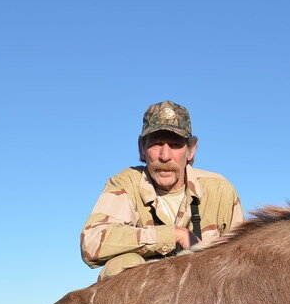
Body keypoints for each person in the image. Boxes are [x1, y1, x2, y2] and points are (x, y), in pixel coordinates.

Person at [81, 101, 243, 280]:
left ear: (191, 150)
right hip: (144, 298)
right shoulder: (125, 183)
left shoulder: (220, 190)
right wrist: (174, 234)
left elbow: (242, 259)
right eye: (156, 144)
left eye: (175, 145)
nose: (165, 156)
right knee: (121, 264)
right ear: (142, 148)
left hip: (204, 294)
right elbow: (91, 243)